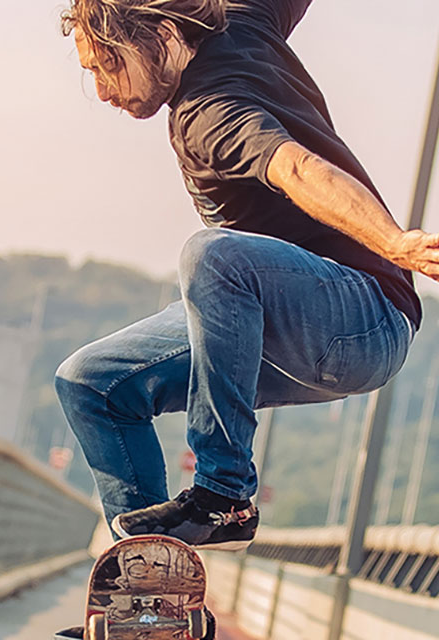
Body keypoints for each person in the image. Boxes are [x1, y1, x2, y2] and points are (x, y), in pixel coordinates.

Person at [55, 0, 437, 551]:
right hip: (275, 327)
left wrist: (392, 242)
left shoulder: (209, 112)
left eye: (106, 66)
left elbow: (297, 168)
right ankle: (148, 594)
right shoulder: (247, 17)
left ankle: (224, 495)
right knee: (90, 383)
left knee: (214, 257)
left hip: (361, 319)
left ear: (161, 34)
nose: (103, 92)